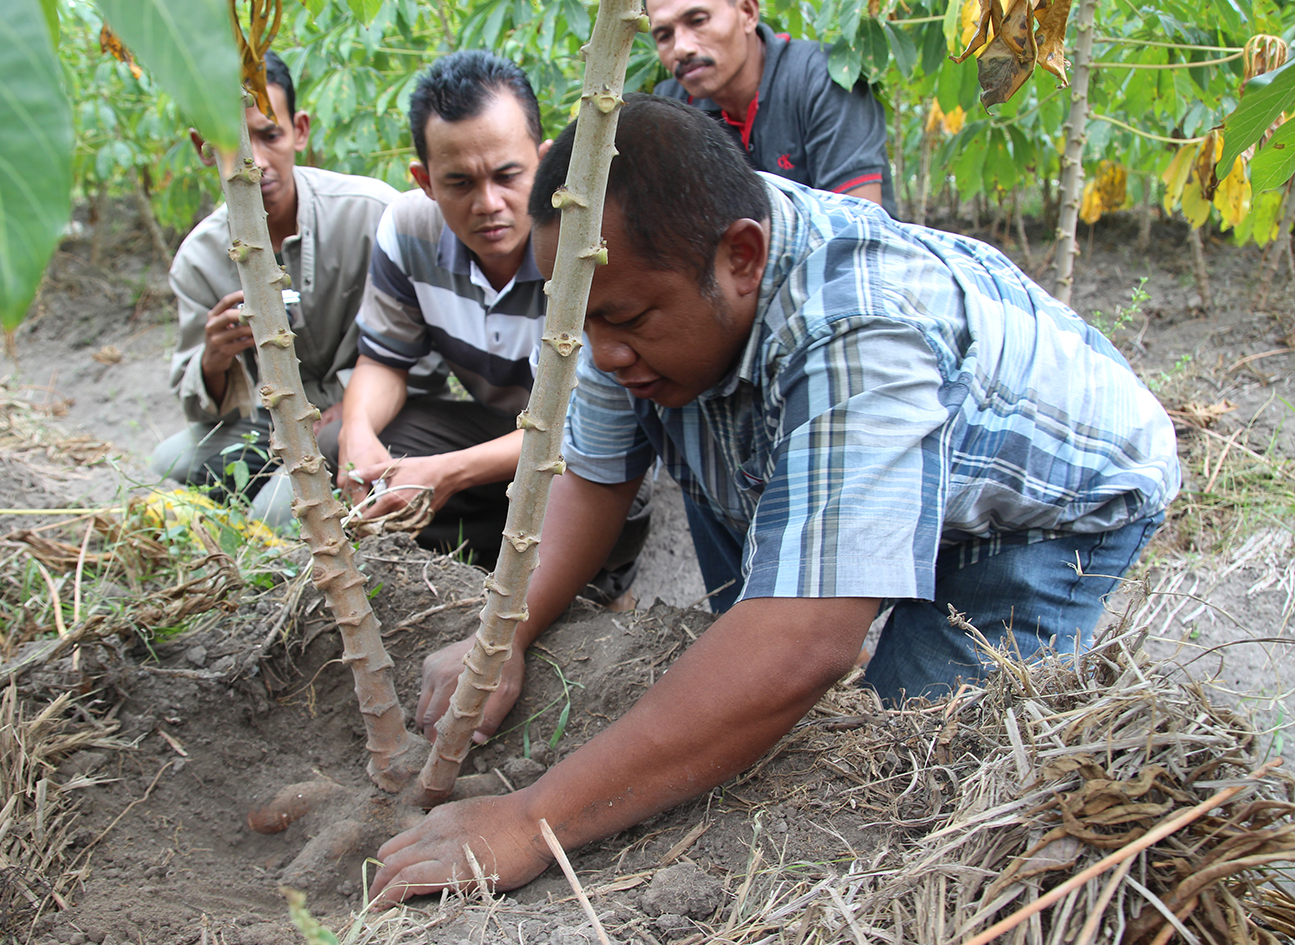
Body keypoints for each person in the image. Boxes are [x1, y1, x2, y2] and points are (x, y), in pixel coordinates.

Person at [367, 96, 1180, 902]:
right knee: (753, 655)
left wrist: (532, 818)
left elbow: (801, 642)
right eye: (582, 323)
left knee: (910, 761)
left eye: (626, 320)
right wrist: (501, 633)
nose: (603, 353)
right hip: (798, 442)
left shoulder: (859, 325)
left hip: (1039, 504)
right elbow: (593, 475)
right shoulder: (630, 283)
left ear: (743, 258)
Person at [336, 50, 648, 594]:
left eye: (508, 176)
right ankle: (482, 560)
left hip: (589, 444)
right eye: (459, 183)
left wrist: (448, 472)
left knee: (611, 490)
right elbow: (383, 361)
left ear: (547, 162)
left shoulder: (585, 247)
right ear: (425, 180)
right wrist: (357, 437)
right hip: (500, 434)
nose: (489, 204)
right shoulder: (408, 231)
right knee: (348, 446)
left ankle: (596, 573)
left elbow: (591, 426)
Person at [154, 52, 438, 526]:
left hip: (374, 415)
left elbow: (428, 349)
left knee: (277, 514)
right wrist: (215, 357)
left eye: (270, 135)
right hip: (271, 424)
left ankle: (286, 518)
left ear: (299, 130)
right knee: (173, 461)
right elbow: (196, 399)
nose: (254, 162)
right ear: (202, 146)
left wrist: (354, 404)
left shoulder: (370, 214)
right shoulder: (199, 259)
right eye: (231, 142)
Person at [649, 0, 895, 212]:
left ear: (747, 12)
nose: (681, 48)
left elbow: (856, 232)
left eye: (698, 21)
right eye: (664, 36)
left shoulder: (822, 80)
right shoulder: (673, 108)